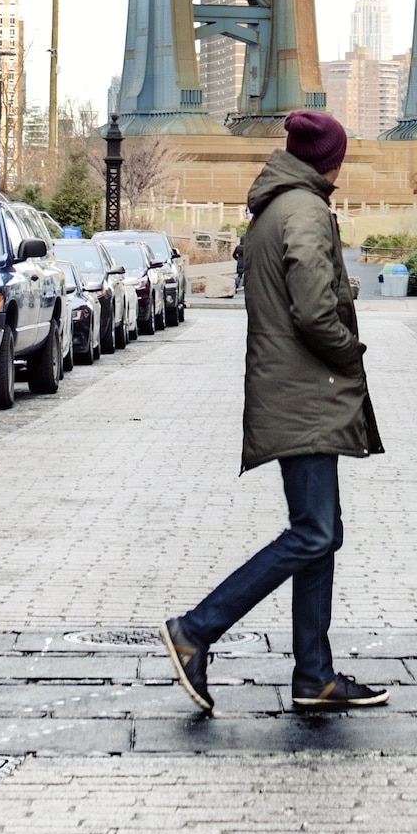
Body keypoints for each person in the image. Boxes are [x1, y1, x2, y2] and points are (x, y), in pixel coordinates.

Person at [162, 108, 386, 722]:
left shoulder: (272, 209)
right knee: (314, 532)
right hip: (307, 392)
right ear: (327, 159)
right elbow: (315, 313)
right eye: (339, 155)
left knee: (320, 532)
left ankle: (314, 674)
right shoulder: (307, 210)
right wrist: (351, 349)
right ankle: (196, 629)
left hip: (290, 390)